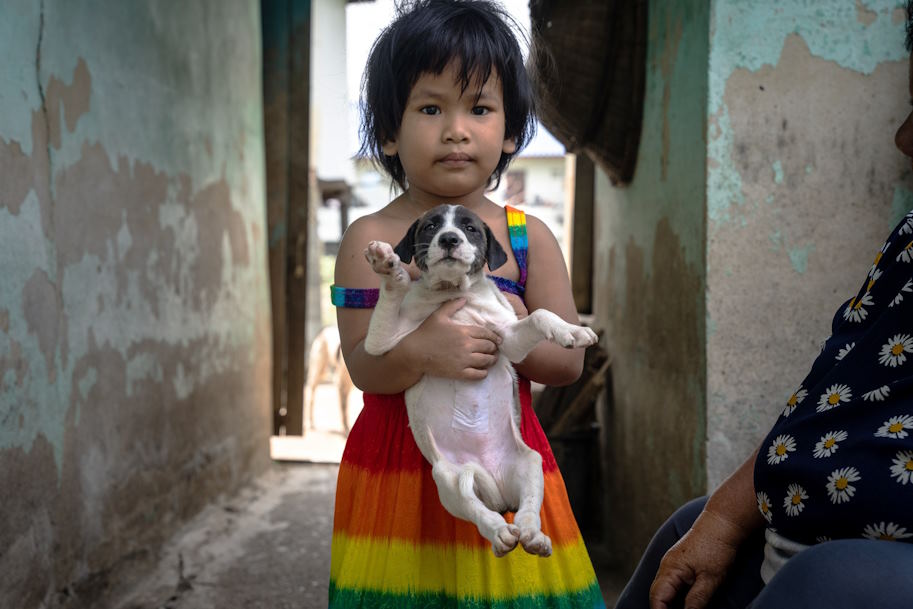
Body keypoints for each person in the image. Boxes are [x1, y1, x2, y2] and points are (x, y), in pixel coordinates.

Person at [615, 7, 913, 609]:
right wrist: (726, 518)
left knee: (829, 582)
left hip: (865, 559)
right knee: (687, 531)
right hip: (803, 523)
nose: (904, 139)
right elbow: (829, 388)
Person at [327, 1, 605, 607]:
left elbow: (566, 366)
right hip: (401, 461)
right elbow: (363, 367)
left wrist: (505, 339)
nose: (457, 129)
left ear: (509, 132)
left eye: (479, 108)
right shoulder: (370, 242)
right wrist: (426, 351)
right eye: (431, 108)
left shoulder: (527, 237)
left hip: (503, 447)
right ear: (388, 133)